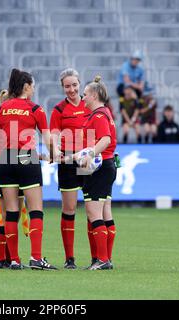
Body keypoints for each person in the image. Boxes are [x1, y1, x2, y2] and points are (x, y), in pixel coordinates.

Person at [0, 68, 56, 270]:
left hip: (5, 160)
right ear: (26, 87)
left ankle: (15, 260)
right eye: (33, 86)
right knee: (36, 210)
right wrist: (52, 154)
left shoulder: (0, 109)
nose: (34, 90)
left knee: (11, 212)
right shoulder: (36, 109)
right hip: (27, 158)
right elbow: (47, 138)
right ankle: (36, 258)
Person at [67, 76, 117, 270]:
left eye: (85, 94)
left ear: (94, 95)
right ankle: (104, 259)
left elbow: (104, 139)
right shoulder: (104, 113)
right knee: (105, 212)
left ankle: (102, 260)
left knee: (93, 212)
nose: (83, 97)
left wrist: (91, 154)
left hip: (100, 167)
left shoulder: (98, 115)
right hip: (105, 165)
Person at [49, 68, 91, 269]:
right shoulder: (58, 110)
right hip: (67, 162)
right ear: (62, 87)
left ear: (80, 84)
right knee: (69, 208)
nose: (72, 89)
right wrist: (56, 150)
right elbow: (54, 135)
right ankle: (70, 259)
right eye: (67, 86)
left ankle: (98, 258)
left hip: (88, 161)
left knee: (93, 209)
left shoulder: (90, 105)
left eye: (74, 85)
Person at [0, 90, 28, 269]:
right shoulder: (0, 116)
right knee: (6, 215)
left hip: (18, 164)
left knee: (13, 214)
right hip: (4, 166)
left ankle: (5, 257)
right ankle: (3, 258)